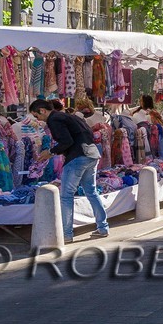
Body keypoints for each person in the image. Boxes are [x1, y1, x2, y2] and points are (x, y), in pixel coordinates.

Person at [38, 98, 110, 241]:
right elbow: (88, 134)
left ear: (42, 111)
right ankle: (103, 228)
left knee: (66, 196)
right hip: (92, 154)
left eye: (37, 115)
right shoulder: (71, 117)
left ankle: (67, 234)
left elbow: (67, 141)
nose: (38, 119)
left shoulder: (54, 119)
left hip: (78, 157)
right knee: (91, 192)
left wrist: (50, 152)